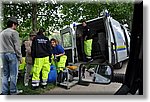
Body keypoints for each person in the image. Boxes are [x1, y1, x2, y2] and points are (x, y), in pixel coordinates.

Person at [0, 17, 22, 95]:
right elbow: (17, 46)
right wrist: (20, 57)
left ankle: (4, 91)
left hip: (2, 54)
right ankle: (13, 91)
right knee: (13, 74)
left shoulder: (2, 33)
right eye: (16, 25)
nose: (16, 27)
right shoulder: (14, 32)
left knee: (5, 74)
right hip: (11, 54)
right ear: (13, 24)